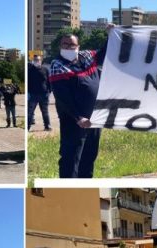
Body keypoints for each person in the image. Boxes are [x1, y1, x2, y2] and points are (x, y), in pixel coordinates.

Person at [49, 29, 110, 178]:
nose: (69, 47)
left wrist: (110, 35)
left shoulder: (87, 56)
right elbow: (62, 97)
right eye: (65, 44)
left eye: (72, 44)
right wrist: (78, 117)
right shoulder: (57, 65)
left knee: (89, 157)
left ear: (78, 46)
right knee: (71, 158)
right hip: (74, 121)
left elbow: (105, 52)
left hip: (94, 118)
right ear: (60, 46)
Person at [28, 54, 52, 131]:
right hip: (33, 94)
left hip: (44, 94)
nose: (37, 61)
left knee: (45, 111)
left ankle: (47, 126)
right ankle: (27, 127)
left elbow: (49, 81)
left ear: (41, 61)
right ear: (33, 61)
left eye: (38, 60)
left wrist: (49, 91)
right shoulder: (29, 70)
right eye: (35, 60)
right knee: (30, 112)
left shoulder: (45, 70)